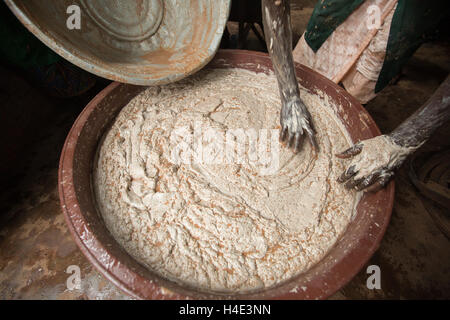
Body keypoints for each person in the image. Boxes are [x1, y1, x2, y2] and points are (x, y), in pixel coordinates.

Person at [261, 0, 450, 192]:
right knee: (306, 75)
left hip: (398, 27)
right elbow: (274, 5)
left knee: (350, 108)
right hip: (339, 17)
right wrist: (290, 95)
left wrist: (401, 142)